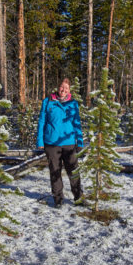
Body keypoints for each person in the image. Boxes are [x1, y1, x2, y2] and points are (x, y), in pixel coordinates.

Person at [36, 78, 84, 209]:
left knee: (73, 171)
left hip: (69, 143)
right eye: (62, 87)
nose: (64, 90)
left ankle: (78, 197)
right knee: (55, 172)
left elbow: (77, 123)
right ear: (58, 87)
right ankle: (58, 199)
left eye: (66, 88)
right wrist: (39, 140)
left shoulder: (73, 104)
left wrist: (80, 141)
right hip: (51, 143)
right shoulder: (48, 102)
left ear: (69, 90)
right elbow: (41, 122)